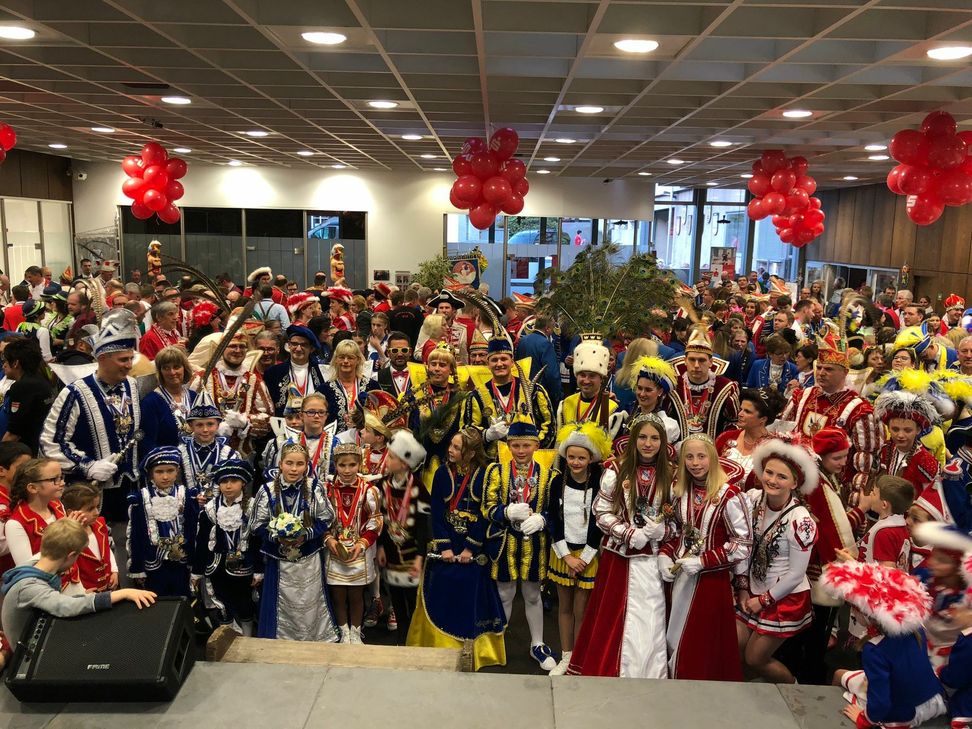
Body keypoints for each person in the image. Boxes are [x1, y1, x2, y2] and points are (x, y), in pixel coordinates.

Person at [566, 414, 671, 679]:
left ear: (663, 441)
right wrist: (626, 533)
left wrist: (664, 531)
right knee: (614, 615)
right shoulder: (616, 469)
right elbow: (600, 511)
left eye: (654, 438)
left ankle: (650, 671)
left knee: (652, 614)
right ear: (633, 439)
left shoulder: (671, 473)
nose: (648, 444)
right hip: (620, 557)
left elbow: (680, 518)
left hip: (655, 559)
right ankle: (612, 669)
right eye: (643, 437)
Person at [406, 427, 507, 670]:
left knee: (471, 596)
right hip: (447, 545)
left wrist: (470, 548)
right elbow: (437, 512)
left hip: (473, 547)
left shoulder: (485, 475)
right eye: (451, 445)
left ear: (470, 453)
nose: (450, 450)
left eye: (456, 447)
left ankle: (472, 652)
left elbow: (485, 515)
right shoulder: (442, 473)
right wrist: (445, 547)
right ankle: (436, 646)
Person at [660, 434, 751, 681]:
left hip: (711, 583)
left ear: (712, 458)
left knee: (700, 642)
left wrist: (703, 561)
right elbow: (675, 531)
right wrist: (665, 555)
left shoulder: (730, 495)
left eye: (701, 456)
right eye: (689, 457)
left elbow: (743, 545)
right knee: (672, 636)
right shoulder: (679, 491)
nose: (695, 463)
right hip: (679, 578)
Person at [1, 519, 156, 658]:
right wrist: (123, 593)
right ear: (71, 555)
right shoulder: (29, 586)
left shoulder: (35, 567)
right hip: (29, 656)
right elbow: (65, 606)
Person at [41, 310, 143, 522]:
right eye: (123, 360)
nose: (129, 365)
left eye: (130, 359)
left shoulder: (132, 385)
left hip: (129, 491)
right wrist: (88, 466)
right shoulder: (75, 392)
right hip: (90, 497)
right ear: (103, 359)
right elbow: (51, 443)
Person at [735, 439, 818, 684]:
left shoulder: (801, 521)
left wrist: (762, 601)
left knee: (755, 658)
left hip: (784, 597)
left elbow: (795, 575)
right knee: (736, 644)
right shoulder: (752, 499)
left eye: (782, 476)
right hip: (751, 589)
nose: (772, 480)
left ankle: (794, 691)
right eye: (769, 472)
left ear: (795, 483)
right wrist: (743, 588)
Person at [827, 561, 946, 728]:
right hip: (933, 698)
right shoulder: (915, 628)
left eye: (854, 607)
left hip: (904, 714)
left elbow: (881, 703)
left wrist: (864, 719)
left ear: (868, 614)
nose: (852, 611)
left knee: (839, 674)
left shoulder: (874, 649)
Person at [483, 419, 556, 670]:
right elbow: (486, 507)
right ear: (508, 445)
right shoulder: (496, 471)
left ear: (536, 445)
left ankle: (538, 643)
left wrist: (542, 519)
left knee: (533, 594)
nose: (521, 451)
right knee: (504, 593)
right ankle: (497, 641)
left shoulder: (549, 475)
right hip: (505, 542)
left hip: (535, 544)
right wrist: (505, 512)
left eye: (526, 445)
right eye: (515, 445)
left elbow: (555, 510)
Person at [250, 440, 338, 641]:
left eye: (300, 464)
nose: (294, 469)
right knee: (281, 603)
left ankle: (314, 638)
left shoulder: (314, 487)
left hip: (309, 558)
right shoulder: (267, 490)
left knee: (310, 601)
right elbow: (256, 524)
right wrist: (277, 536)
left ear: (307, 466)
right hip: (278, 560)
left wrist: (306, 534)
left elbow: (327, 517)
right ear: (280, 464)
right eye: (289, 463)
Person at [781, 331, 880, 508]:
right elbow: (783, 434)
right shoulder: (801, 396)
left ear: (845, 372)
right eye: (819, 368)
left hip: (833, 491)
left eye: (829, 369)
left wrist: (855, 502)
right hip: (793, 483)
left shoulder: (859, 409)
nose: (821, 373)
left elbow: (864, 460)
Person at [837, 475, 914, 643]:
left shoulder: (885, 532)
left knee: (865, 645)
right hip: (880, 603)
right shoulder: (898, 527)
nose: (870, 495)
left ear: (884, 504)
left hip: (873, 606)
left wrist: (851, 563)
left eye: (873, 492)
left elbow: (887, 574)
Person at [191, 459, 259, 636]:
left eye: (234, 481)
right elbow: (202, 542)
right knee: (222, 605)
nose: (228, 486)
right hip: (217, 567)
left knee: (245, 604)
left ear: (243, 483)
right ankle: (226, 639)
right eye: (223, 481)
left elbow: (257, 542)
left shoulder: (253, 507)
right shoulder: (210, 509)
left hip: (244, 566)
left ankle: (247, 637)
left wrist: (259, 570)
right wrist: (197, 572)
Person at [324, 443, 382, 644]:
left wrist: (363, 543)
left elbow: (375, 521)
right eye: (342, 465)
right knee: (338, 596)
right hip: (335, 550)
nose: (347, 470)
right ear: (335, 465)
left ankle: (356, 633)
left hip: (359, 550)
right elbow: (320, 519)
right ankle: (344, 633)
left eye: (352, 465)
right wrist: (328, 538)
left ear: (360, 464)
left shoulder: (369, 490)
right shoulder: (326, 489)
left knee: (357, 596)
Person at [126, 446, 198, 599]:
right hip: (153, 561)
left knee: (182, 598)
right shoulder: (141, 498)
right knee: (156, 599)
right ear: (151, 474)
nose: (165, 476)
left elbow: (192, 530)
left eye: (170, 471)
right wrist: (138, 567)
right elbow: (136, 534)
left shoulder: (186, 495)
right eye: (159, 472)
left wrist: (193, 562)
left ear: (177, 471)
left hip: (181, 560)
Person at [189, 329, 273, 457]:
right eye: (233, 346)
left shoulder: (254, 380)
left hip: (243, 455)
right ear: (222, 348)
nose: (238, 350)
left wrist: (245, 422)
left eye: (242, 346)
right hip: (205, 453)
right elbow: (188, 414)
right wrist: (212, 428)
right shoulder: (202, 378)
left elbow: (269, 418)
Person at [376, 430, 427, 641]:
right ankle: (402, 640)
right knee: (396, 602)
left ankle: (415, 641)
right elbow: (379, 518)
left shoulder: (418, 488)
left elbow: (424, 526)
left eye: (391, 457)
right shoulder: (382, 485)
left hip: (411, 555)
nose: (386, 460)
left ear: (405, 464)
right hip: (390, 554)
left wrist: (420, 557)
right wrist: (380, 546)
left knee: (413, 603)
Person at [468, 334, 554, 453]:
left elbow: (549, 426)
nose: (499, 364)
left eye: (503, 359)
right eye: (494, 360)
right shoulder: (476, 396)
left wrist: (531, 448)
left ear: (512, 362)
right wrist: (486, 435)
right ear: (488, 364)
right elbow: (468, 432)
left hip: (528, 459)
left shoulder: (534, 390)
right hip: (491, 461)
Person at [669, 326, 740, 440]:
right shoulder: (673, 386)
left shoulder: (726, 388)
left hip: (714, 448)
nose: (696, 365)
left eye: (702, 360)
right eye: (692, 359)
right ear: (685, 361)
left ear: (711, 362)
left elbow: (734, 423)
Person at [556, 335, 625, 438]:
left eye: (592, 376)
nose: (586, 380)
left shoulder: (612, 408)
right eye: (582, 375)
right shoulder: (566, 404)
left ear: (601, 378)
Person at [715, 388, 784, 486]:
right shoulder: (725, 437)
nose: (740, 414)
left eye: (747, 411)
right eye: (741, 409)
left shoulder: (774, 448)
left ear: (763, 419)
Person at [177, 392, 240, 498]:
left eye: (210, 424)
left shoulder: (230, 455)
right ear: (191, 426)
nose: (205, 430)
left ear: (218, 425)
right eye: (199, 425)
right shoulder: (180, 453)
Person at [60, 483, 117, 593]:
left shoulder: (100, 525)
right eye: (90, 509)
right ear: (72, 513)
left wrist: (114, 570)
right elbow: (69, 570)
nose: (96, 513)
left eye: (97, 507)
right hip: (86, 592)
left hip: (108, 587)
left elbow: (107, 549)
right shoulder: (67, 538)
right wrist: (80, 592)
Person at [139, 346, 197, 454]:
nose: (172, 372)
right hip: (167, 461)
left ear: (184, 368)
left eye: (176, 367)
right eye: (166, 368)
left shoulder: (195, 397)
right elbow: (147, 445)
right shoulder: (151, 402)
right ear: (160, 372)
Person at [0, 337, 54, 453]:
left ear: (15, 363)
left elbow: (14, 433)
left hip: (23, 451)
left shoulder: (23, 387)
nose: (3, 365)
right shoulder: (42, 381)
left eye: (5, 361)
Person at [263, 325, 331, 416]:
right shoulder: (273, 373)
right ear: (289, 345)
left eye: (303, 345)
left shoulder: (324, 372)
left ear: (311, 348)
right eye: (294, 344)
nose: (298, 349)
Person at [320, 338, 375, 434]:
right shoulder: (324, 390)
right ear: (335, 359)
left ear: (358, 360)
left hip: (366, 440)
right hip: (334, 440)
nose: (345, 361)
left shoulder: (372, 386)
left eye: (350, 357)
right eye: (341, 357)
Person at [516, 316, 563, 404]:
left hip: (523, 389)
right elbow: (552, 374)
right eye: (552, 328)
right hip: (540, 393)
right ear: (547, 329)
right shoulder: (546, 344)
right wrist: (557, 395)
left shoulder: (523, 340)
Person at [375, 331, 414, 397]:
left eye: (404, 350)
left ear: (410, 352)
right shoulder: (377, 377)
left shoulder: (420, 374)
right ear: (388, 353)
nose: (399, 354)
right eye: (395, 350)